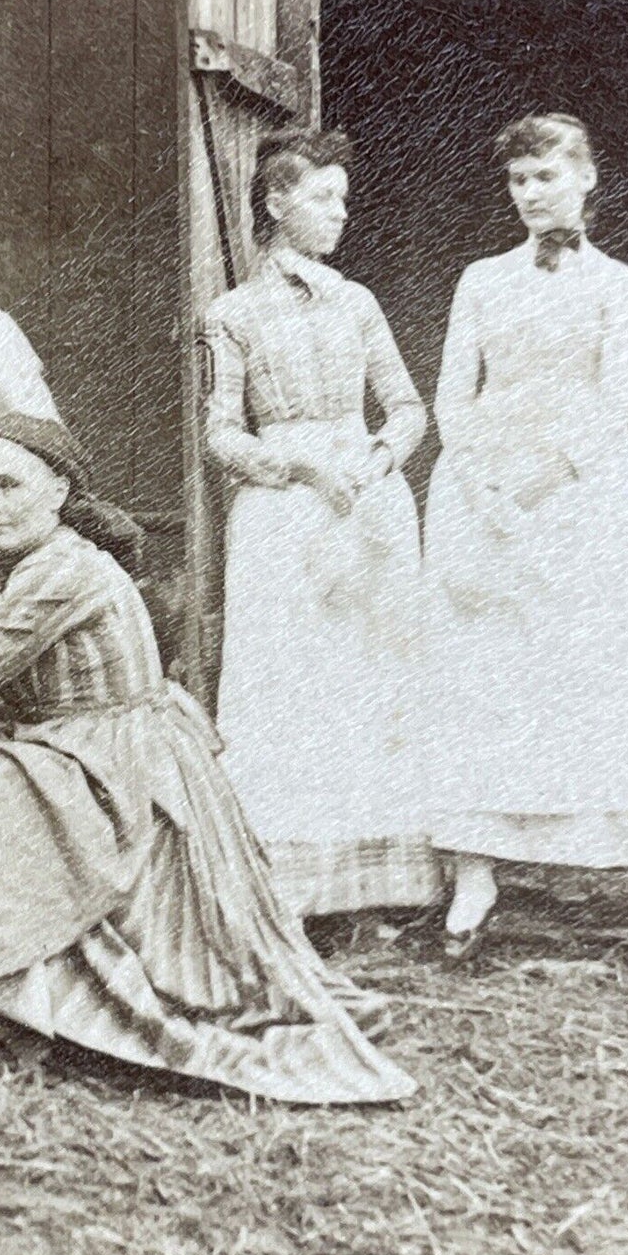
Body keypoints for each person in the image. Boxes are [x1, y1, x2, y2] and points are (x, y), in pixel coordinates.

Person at [0, 413, 416, 1106]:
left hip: (121, 776)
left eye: (8, 485)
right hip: (101, 752)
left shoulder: (63, 569)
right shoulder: (36, 563)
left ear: (57, 489)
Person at [423, 113, 628, 958]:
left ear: (585, 177)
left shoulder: (619, 286)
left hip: (580, 491)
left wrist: (538, 483)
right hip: (482, 491)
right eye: (517, 181)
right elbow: (450, 396)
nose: (530, 193)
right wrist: (478, 480)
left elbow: (617, 406)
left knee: (603, 667)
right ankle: (475, 872)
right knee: (483, 675)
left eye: (545, 175)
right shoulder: (479, 280)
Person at [202, 129, 440, 919]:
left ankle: (378, 890)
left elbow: (408, 406)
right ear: (275, 202)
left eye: (342, 197)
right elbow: (221, 434)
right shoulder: (231, 314)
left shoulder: (357, 302)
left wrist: (375, 459)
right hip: (281, 514)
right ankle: (286, 893)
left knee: (368, 680)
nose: (340, 213)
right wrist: (299, 467)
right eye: (321, 197)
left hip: (367, 504)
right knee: (288, 685)